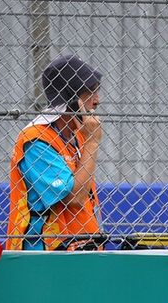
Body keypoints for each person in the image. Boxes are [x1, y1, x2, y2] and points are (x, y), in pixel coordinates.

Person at [6, 55, 103, 251]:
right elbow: (74, 199)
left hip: (82, 250)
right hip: (46, 255)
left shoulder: (80, 135)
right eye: (90, 93)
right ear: (71, 99)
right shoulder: (35, 140)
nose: (97, 101)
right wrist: (92, 144)